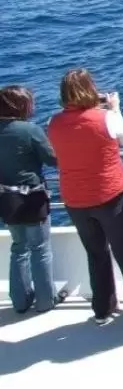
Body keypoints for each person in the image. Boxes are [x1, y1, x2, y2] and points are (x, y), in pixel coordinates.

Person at [47, 69, 123, 327]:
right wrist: (115, 108)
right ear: (90, 89)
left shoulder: (53, 123)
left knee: (95, 253)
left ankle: (102, 309)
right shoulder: (105, 117)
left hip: (75, 200)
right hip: (110, 197)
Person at [0, 85, 66, 314]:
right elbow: (52, 159)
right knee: (40, 249)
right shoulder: (29, 130)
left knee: (19, 248)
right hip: (31, 197)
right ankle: (46, 301)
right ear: (21, 106)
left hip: (6, 199)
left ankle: (20, 302)